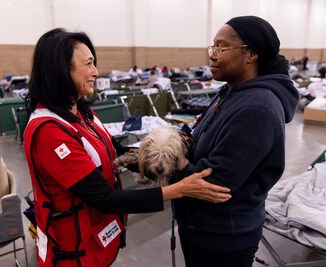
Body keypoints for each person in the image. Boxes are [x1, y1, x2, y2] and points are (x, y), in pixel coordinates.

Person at [23, 28, 231, 267]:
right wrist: (180, 188)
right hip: (74, 252)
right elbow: (105, 199)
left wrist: (156, 157)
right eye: (88, 64)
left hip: (97, 240)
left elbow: (116, 153)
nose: (96, 72)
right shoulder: (50, 132)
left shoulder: (81, 112)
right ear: (61, 70)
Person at [171, 16, 299, 267]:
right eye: (212, 46)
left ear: (251, 54)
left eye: (222, 46)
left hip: (222, 237)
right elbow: (198, 137)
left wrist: (162, 165)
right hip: (199, 226)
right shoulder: (229, 92)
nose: (213, 54)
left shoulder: (257, 107)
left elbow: (215, 181)